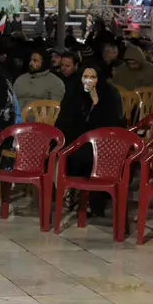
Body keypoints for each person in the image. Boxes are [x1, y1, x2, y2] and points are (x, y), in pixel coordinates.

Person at [55, 64, 124, 217]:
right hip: (75, 141)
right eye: (85, 77)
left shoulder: (109, 94)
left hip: (103, 144)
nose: (88, 81)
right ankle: (78, 196)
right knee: (78, 153)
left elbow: (112, 125)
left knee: (91, 154)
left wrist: (96, 103)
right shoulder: (73, 93)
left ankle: (92, 200)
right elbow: (64, 122)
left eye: (93, 77)